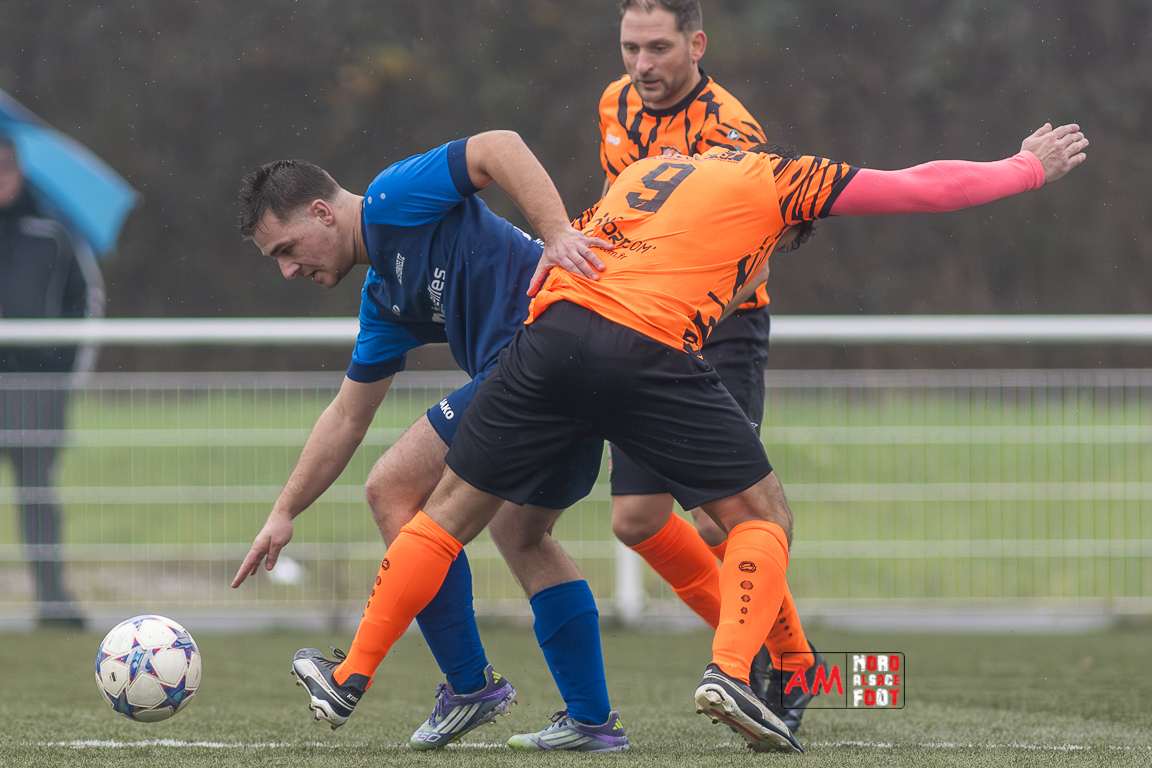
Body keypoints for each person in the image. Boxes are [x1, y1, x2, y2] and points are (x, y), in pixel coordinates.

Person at [287, 122, 1088, 754]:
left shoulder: (646, 170)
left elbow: (586, 250)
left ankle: (353, 675)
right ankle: (738, 671)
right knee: (759, 516)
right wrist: (1026, 168)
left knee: (455, 514)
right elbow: (922, 187)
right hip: (647, 347)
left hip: (548, 339)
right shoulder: (781, 179)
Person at [230, 131, 630, 752]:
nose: (287, 269)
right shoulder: (383, 300)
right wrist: (284, 512)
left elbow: (499, 145)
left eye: (286, 249)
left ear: (322, 212)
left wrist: (557, 234)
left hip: (543, 357)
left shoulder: (392, 197)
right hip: (576, 382)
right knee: (520, 531)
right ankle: (591, 719)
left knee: (392, 487)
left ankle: (462, 686)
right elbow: (347, 416)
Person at [593, 0, 824, 730]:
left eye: (658, 48)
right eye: (631, 47)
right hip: (645, 327)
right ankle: (783, 657)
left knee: (725, 519)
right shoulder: (614, 106)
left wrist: (690, 319)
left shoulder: (731, 130)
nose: (642, 65)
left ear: (696, 44)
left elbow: (761, 256)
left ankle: (775, 666)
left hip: (719, 327)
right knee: (636, 519)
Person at [0, 133, 103, 629]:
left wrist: (60, 376)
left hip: (35, 389)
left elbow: (85, 303)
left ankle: (52, 598)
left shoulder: (53, 234)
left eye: (5, 166)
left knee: (37, 495)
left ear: (20, 171)